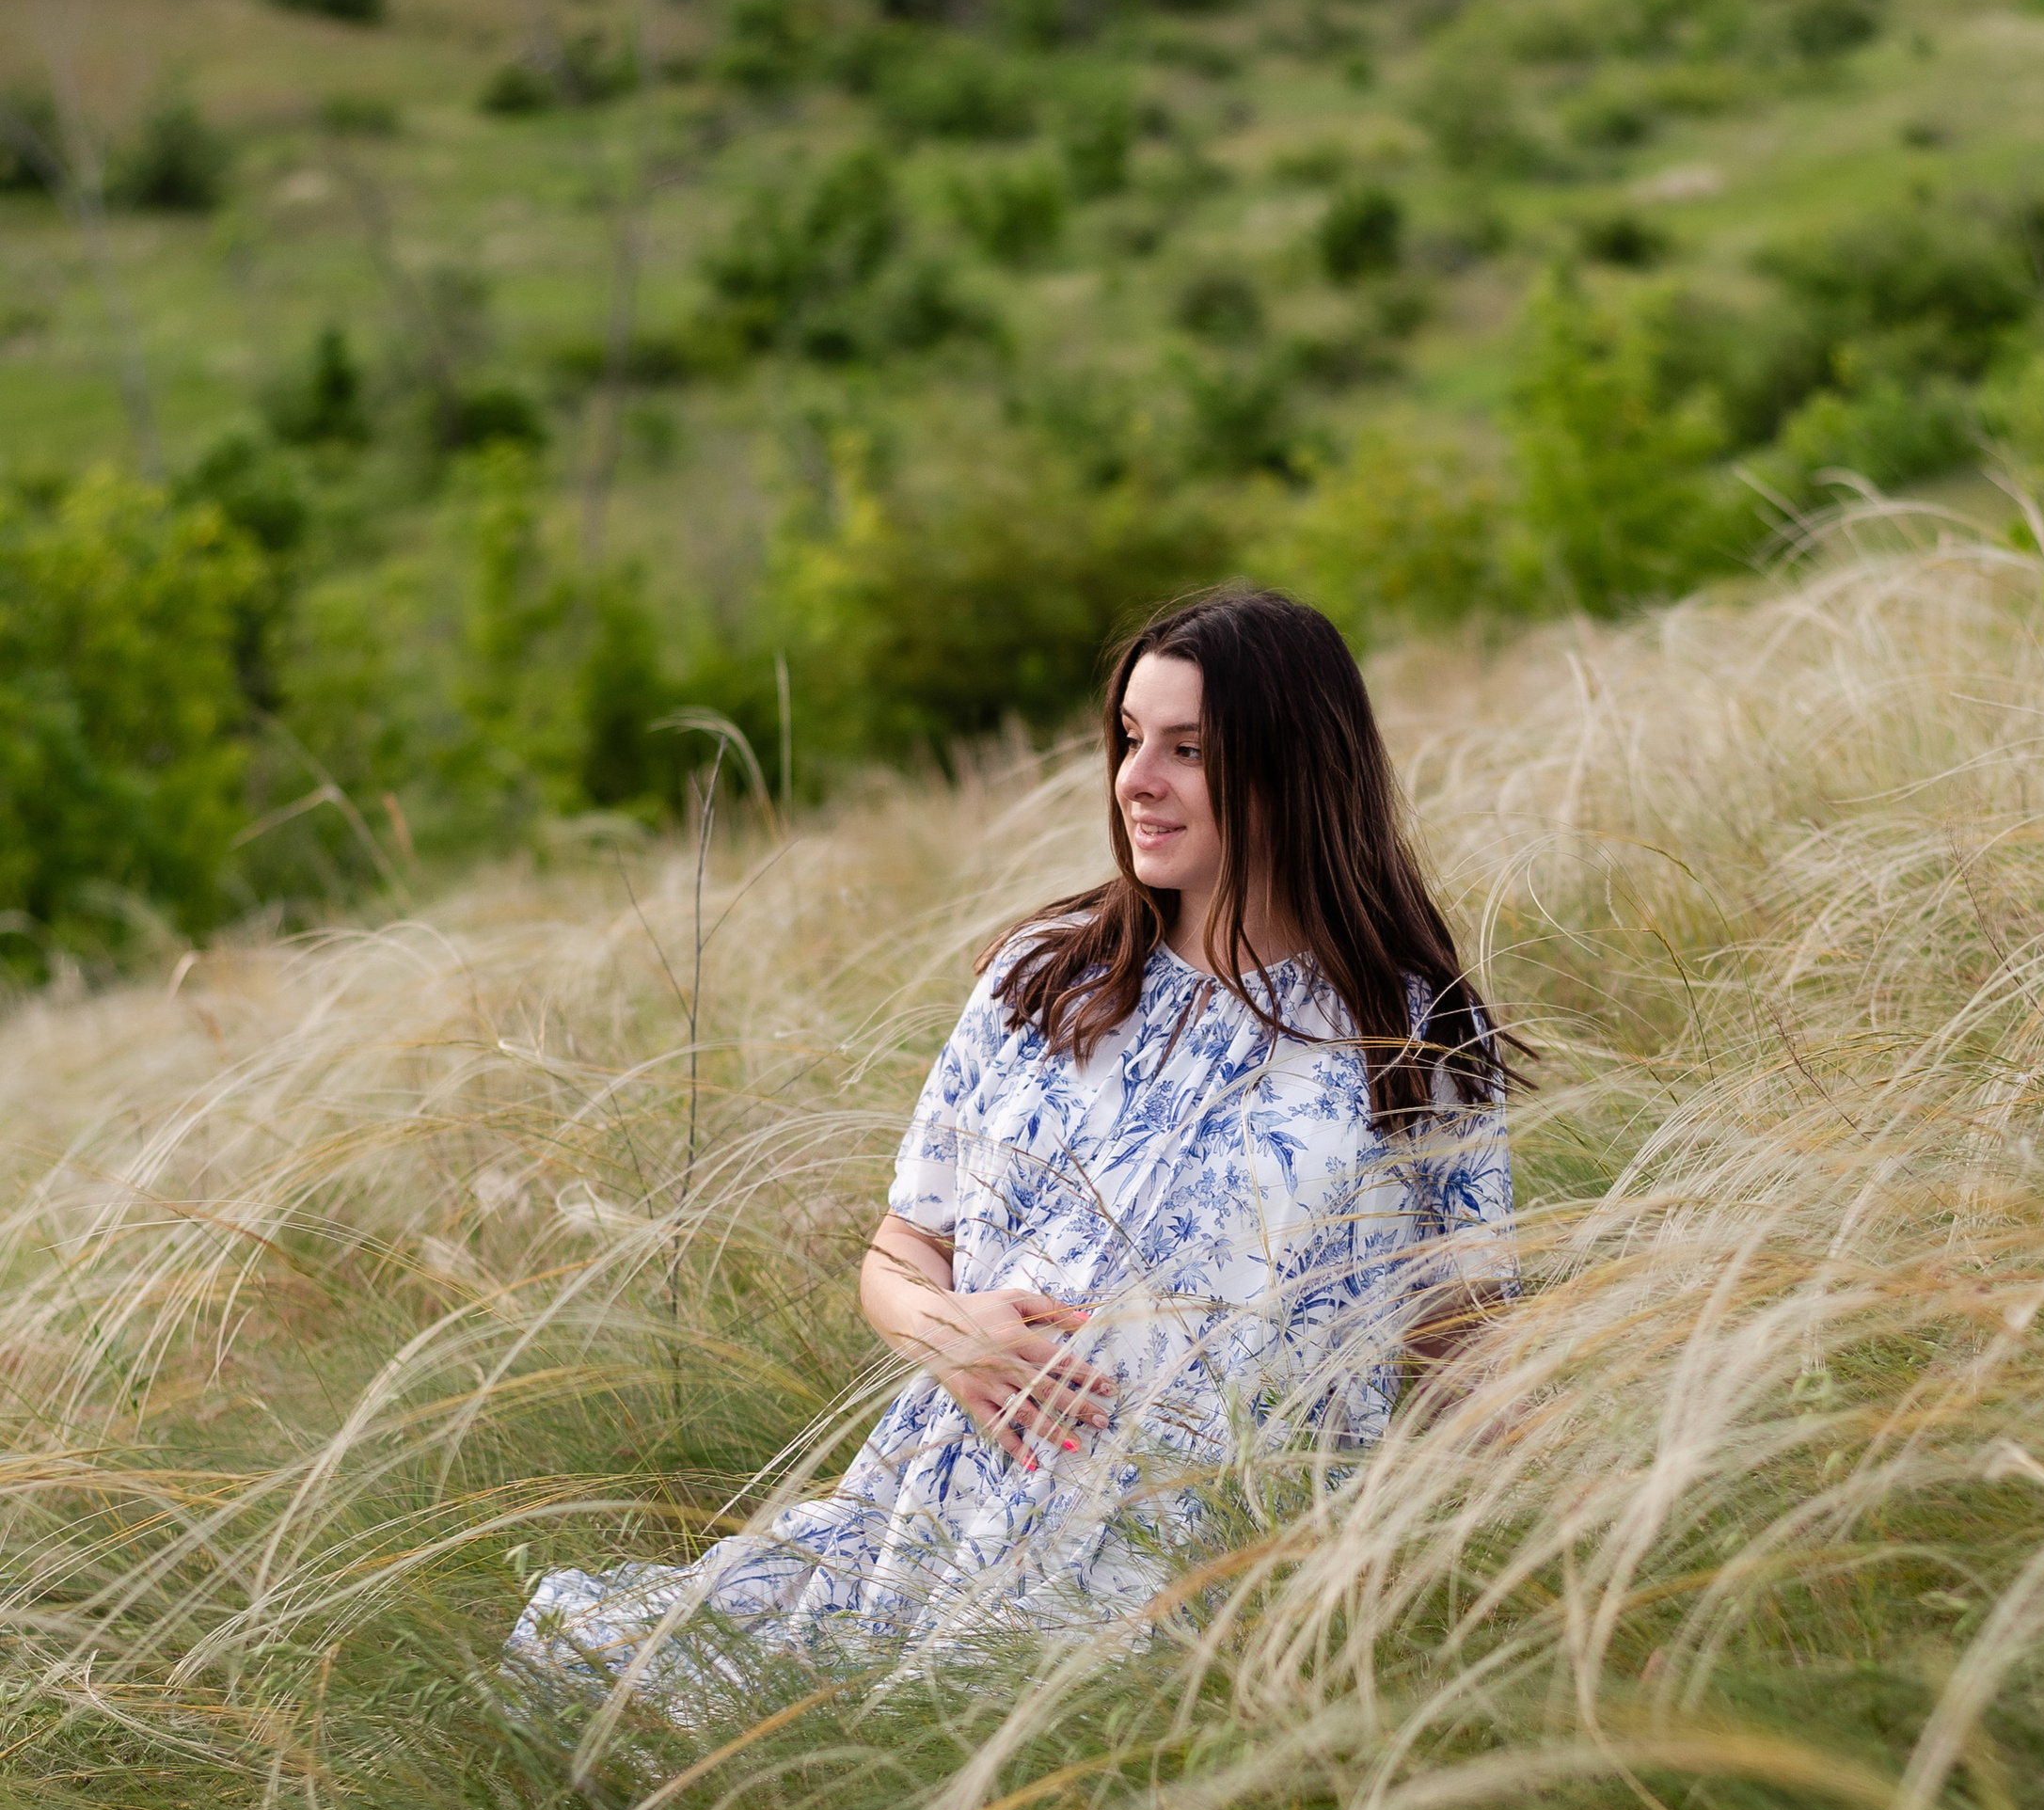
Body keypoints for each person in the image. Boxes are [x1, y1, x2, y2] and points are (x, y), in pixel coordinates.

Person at [509, 587, 1515, 1695]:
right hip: (953, 1511)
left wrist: (1510, 1585)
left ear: (1292, 766)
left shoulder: (1409, 1029)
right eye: (1130, 740)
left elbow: (1462, 1341)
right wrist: (951, 1332)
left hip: (1230, 1570)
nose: (1138, 779)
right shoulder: (1049, 977)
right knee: (677, 1693)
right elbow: (898, 1249)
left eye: (1189, 749)